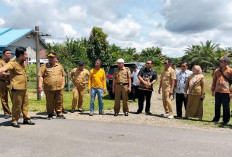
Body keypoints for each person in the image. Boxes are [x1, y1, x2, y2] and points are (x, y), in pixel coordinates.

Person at [0, 47, 35, 128]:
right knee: (17, 105)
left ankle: (26, 119)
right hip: (16, 88)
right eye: (25, 54)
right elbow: (3, 68)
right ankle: (14, 120)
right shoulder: (13, 63)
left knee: (25, 104)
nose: (27, 55)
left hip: (24, 87)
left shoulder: (22, 63)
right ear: (21, 55)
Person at [38, 52, 66, 120]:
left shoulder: (59, 66)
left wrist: (63, 84)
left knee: (59, 101)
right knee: (49, 102)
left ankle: (59, 114)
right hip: (49, 88)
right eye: (49, 57)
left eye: (52, 57)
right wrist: (40, 86)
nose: (50, 59)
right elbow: (40, 76)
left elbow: (63, 76)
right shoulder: (44, 66)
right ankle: (50, 114)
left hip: (59, 88)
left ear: (55, 58)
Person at [211, 57, 232, 124]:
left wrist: (231, 92)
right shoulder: (217, 70)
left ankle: (226, 120)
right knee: (217, 105)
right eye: (221, 61)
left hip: (226, 91)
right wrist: (212, 90)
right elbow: (214, 80)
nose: (222, 62)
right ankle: (216, 119)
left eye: (223, 61)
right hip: (217, 90)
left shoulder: (230, 70)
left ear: (226, 62)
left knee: (226, 106)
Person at [0, 49, 12, 119]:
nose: (9, 54)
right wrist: (7, 74)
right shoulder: (1, 62)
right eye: (7, 53)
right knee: (4, 98)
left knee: (14, 98)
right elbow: (1, 73)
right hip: (2, 82)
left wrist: (5, 73)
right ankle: (7, 113)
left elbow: (13, 73)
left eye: (10, 53)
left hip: (11, 83)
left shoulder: (12, 62)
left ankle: (15, 113)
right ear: (4, 54)